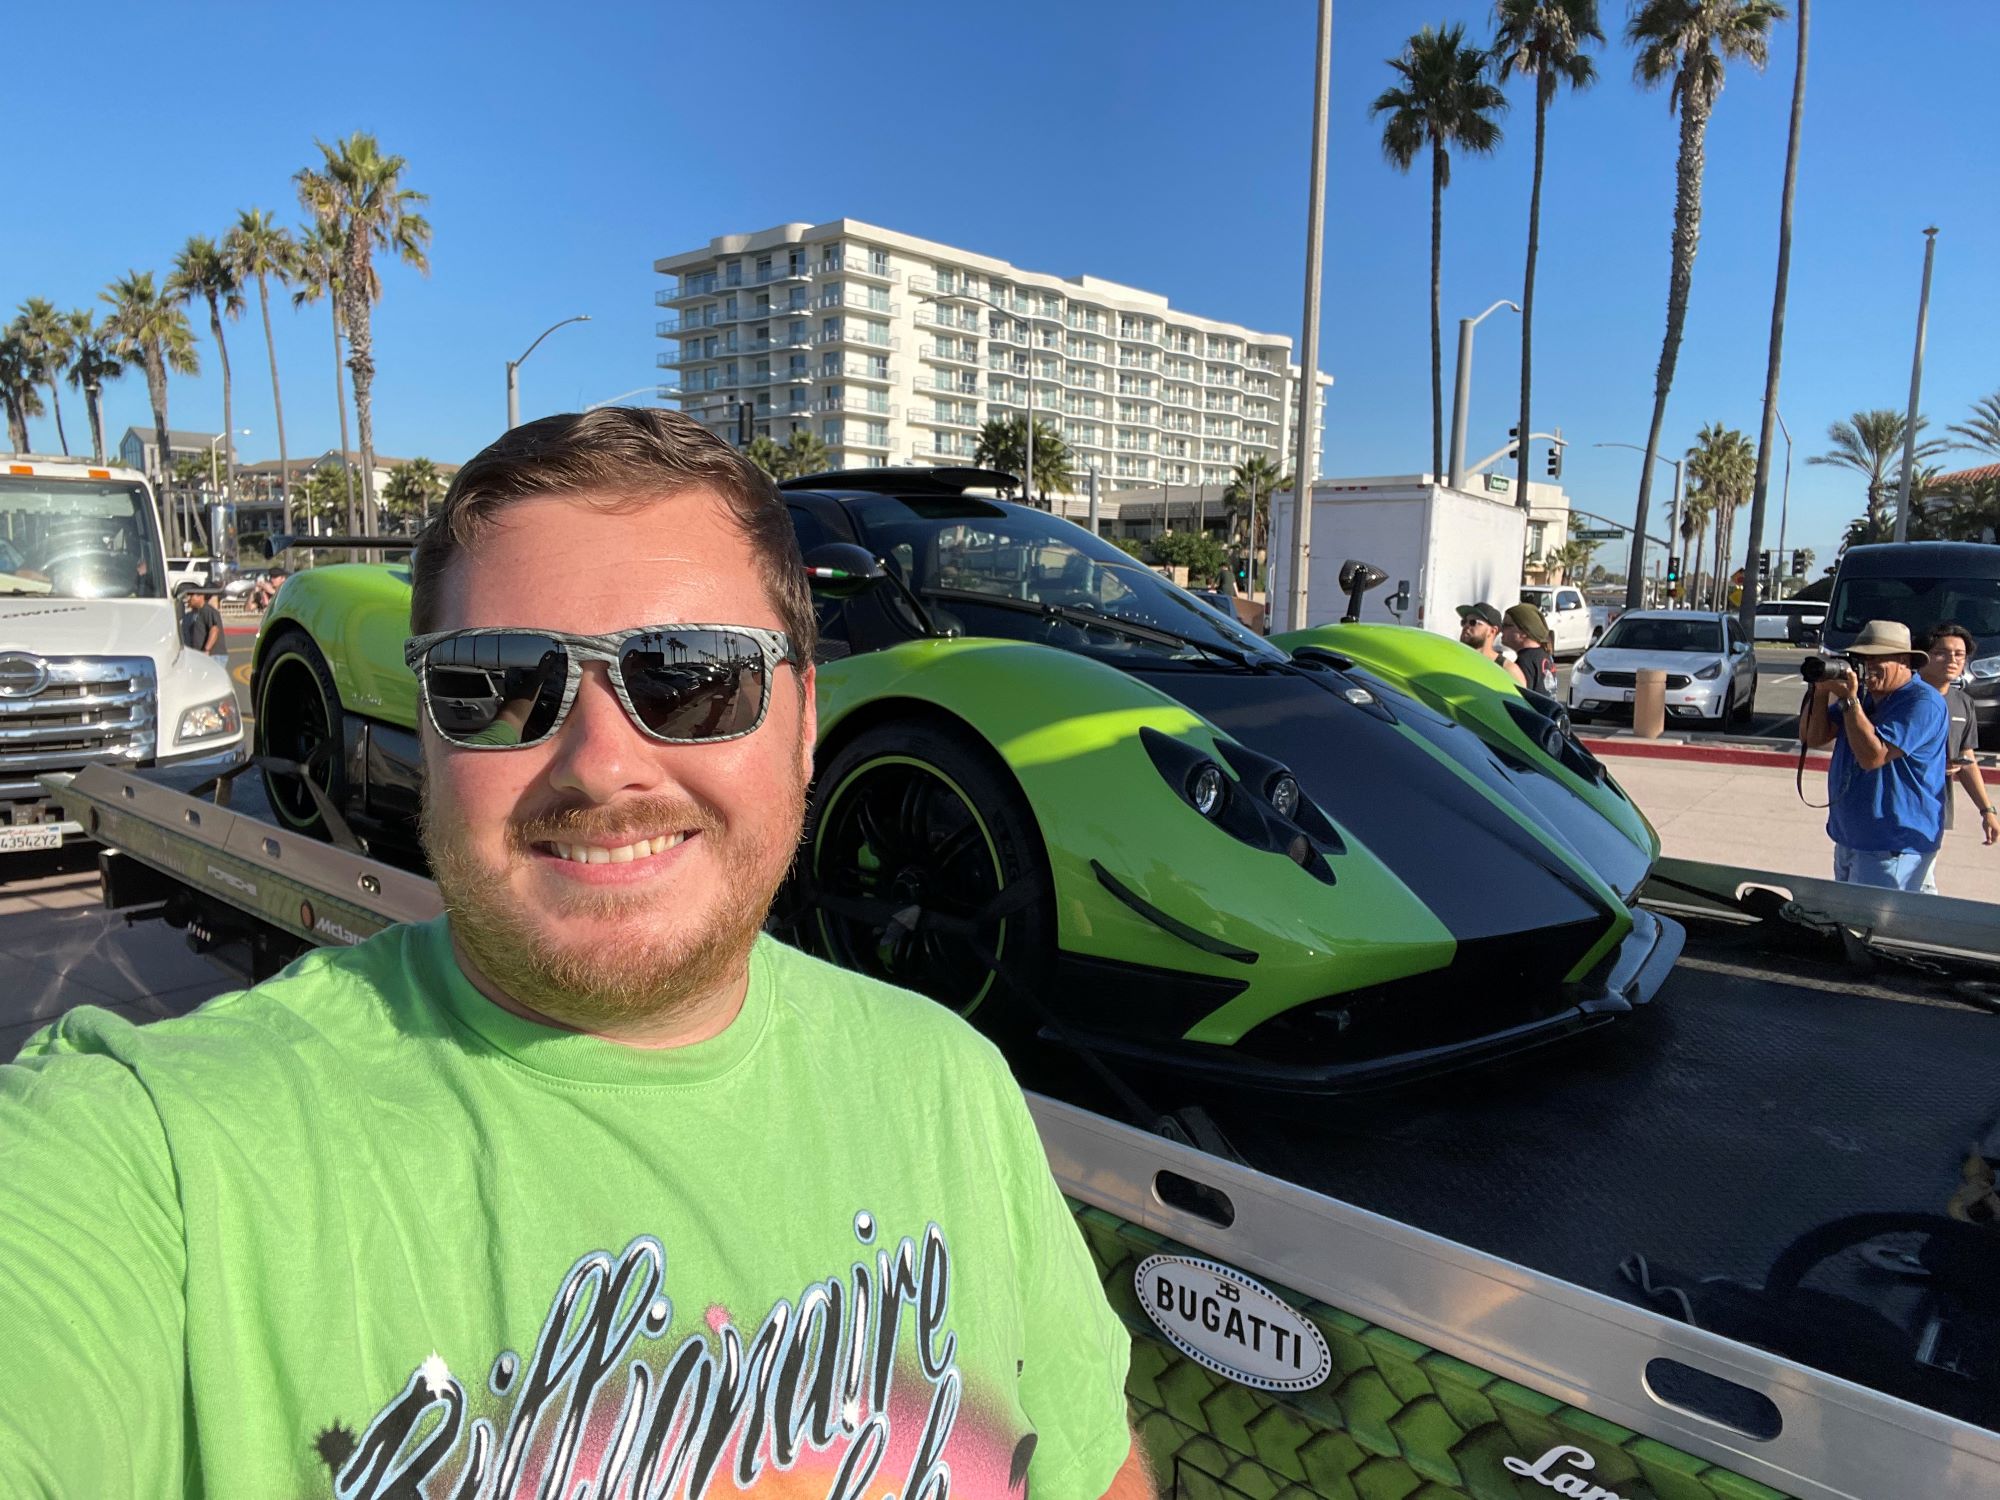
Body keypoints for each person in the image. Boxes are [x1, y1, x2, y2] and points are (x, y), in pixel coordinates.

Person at [0, 409, 1152, 1498]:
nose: (599, 765)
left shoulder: (948, 1083)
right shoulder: (164, 1151)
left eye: (694, 679)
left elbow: (1092, 1469)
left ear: (803, 725)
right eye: (497, 685)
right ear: (429, 737)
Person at [1798, 619, 1949, 891]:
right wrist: (1821, 691)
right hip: (1851, 838)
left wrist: (1850, 701)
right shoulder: (1867, 699)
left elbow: (1872, 757)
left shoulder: (1922, 702)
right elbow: (1814, 737)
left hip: (1893, 846)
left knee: (1872, 928)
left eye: (1876, 658)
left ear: (1904, 660)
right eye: (1862, 658)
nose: (1867, 667)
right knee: (1853, 924)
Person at [1914, 623, 1999, 893]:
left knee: (1919, 882)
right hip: (1900, 808)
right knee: (1919, 887)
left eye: (1960, 655)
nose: (1952, 660)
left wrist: (1987, 810)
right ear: (1923, 655)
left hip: (1935, 811)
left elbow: (1966, 758)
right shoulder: (1903, 697)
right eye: (1942, 652)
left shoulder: (1963, 702)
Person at [1456, 601, 1527, 686]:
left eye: (1473, 622)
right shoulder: (1456, 660)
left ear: (1492, 631)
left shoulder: (1508, 670)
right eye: (1464, 622)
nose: (1466, 626)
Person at [1500, 602, 1560, 696]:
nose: (1501, 629)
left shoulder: (1525, 661)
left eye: (1507, 625)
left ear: (1524, 631)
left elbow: (1520, 700)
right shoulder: (1544, 654)